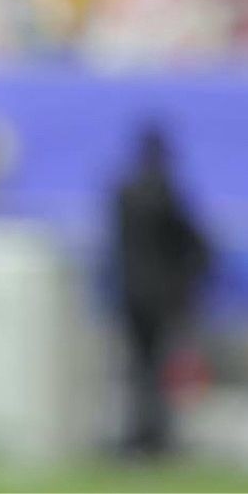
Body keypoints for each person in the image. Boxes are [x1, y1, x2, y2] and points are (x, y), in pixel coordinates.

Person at [112, 125, 210, 457]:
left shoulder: (123, 191)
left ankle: (139, 434)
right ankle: (156, 436)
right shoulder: (166, 191)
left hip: (131, 292)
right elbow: (192, 241)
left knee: (139, 366)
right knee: (158, 366)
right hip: (162, 294)